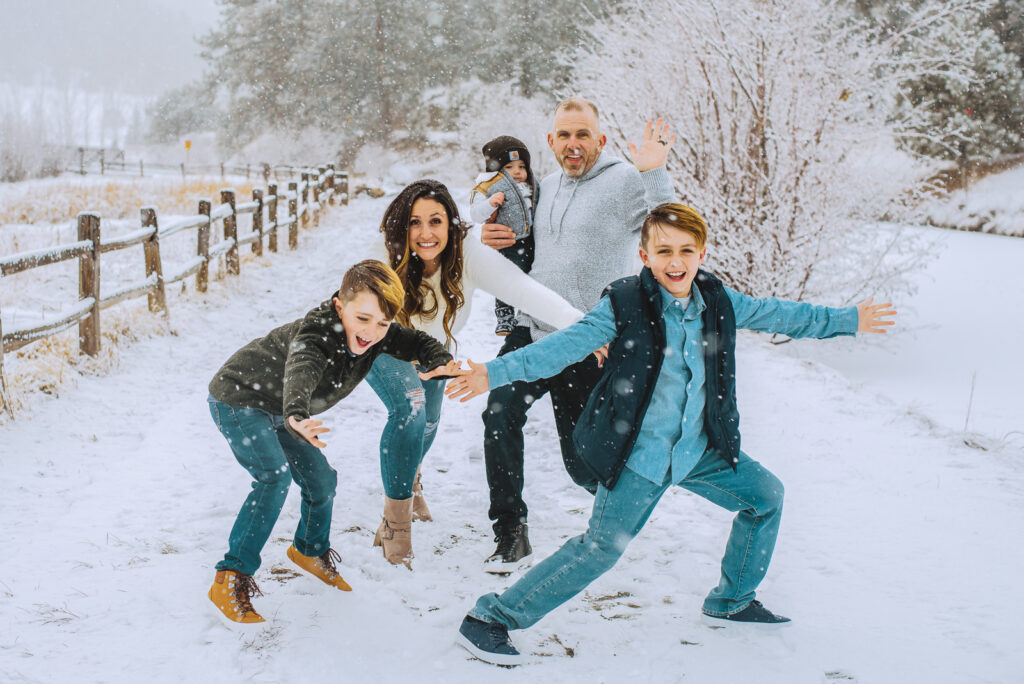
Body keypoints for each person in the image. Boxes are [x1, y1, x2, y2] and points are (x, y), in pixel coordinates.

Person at [446, 203, 898, 665]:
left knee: (765, 497)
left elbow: (779, 315)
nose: (676, 262)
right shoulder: (623, 305)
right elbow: (561, 347)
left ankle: (732, 601)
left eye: (686, 250)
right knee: (599, 550)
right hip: (640, 457)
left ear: (701, 253)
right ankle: (490, 619)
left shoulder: (717, 302)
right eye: (664, 251)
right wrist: (494, 372)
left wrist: (848, 320)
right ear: (644, 256)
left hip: (698, 451)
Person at [478, 96, 676, 573]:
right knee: (499, 414)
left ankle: (623, 507)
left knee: (582, 461)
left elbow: (670, 224)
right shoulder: (544, 186)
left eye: (582, 134)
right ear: (551, 142)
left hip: (591, 341)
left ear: (600, 140)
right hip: (533, 333)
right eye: (564, 135)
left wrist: (652, 172)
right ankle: (510, 531)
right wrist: (486, 234)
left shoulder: (625, 182)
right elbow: (512, 231)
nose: (573, 143)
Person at [206, 259, 460, 624]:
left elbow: (417, 339)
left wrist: (441, 359)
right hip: (239, 398)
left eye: (383, 323)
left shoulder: (377, 333)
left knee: (322, 480)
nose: (372, 332)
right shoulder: (317, 333)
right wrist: (296, 413)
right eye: (363, 319)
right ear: (340, 306)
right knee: (274, 478)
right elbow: (302, 367)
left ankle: (309, 550)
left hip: (280, 410)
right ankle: (231, 576)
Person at [365, 179, 585, 568]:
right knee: (410, 410)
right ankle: (395, 527)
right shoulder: (383, 257)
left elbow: (524, 290)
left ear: (451, 225)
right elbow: (353, 311)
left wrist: (581, 326)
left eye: (436, 221)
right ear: (403, 227)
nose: (426, 233)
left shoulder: (468, 253)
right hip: (382, 344)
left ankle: (409, 477)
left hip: (433, 350)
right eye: (415, 223)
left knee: (429, 423)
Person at [469, 135, 539, 335]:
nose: (517, 172)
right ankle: (504, 313)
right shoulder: (487, 186)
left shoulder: (534, 187)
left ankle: (526, 313)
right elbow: (475, 214)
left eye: (522, 166)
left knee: (528, 278)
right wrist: (489, 204)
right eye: (509, 167)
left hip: (529, 240)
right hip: (506, 241)